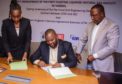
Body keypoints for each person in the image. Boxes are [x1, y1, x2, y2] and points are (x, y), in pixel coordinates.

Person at [76, 4, 120, 72]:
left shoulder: (112, 26)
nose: (92, 18)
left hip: (103, 65)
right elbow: (82, 39)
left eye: (94, 15)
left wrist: (94, 56)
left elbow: (112, 47)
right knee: (89, 81)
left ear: (102, 14)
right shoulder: (90, 24)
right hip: (90, 63)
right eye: (91, 15)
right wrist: (78, 52)